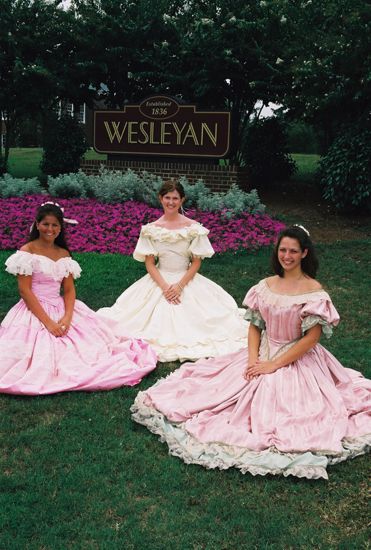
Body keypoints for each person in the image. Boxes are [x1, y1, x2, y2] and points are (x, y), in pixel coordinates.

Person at [131, 225, 371, 479]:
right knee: (225, 388)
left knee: (281, 400)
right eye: (282, 250)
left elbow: (312, 338)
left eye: (293, 251)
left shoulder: (313, 291)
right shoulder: (265, 286)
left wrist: (273, 365)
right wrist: (253, 358)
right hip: (263, 351)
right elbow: (255, 327)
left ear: (304, 253)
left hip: (297, 357)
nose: (286, 256)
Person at [0, 203, 157, 395]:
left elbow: (68, 290)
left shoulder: (63, 254)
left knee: (88, 348)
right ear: (37, 224)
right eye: (46, 224)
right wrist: (49, 323)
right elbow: (25, 291)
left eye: (55, 225)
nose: (50, 229)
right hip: (33, 308)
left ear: (60, 227)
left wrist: (67, 317)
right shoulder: (28, 251)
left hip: (59, 305)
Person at [97, 180, 247, 362]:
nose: (171, 202)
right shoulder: (151, 229)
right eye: (167, 197)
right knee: (132, 319)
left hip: (186, 277)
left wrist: (179, 286)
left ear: (182, 200)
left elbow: (196, 263)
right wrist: (165, 288)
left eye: (175, 198)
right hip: (160, 278)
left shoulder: (193, 228)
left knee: (206, 320)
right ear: (160, 199)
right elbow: (150, 263)